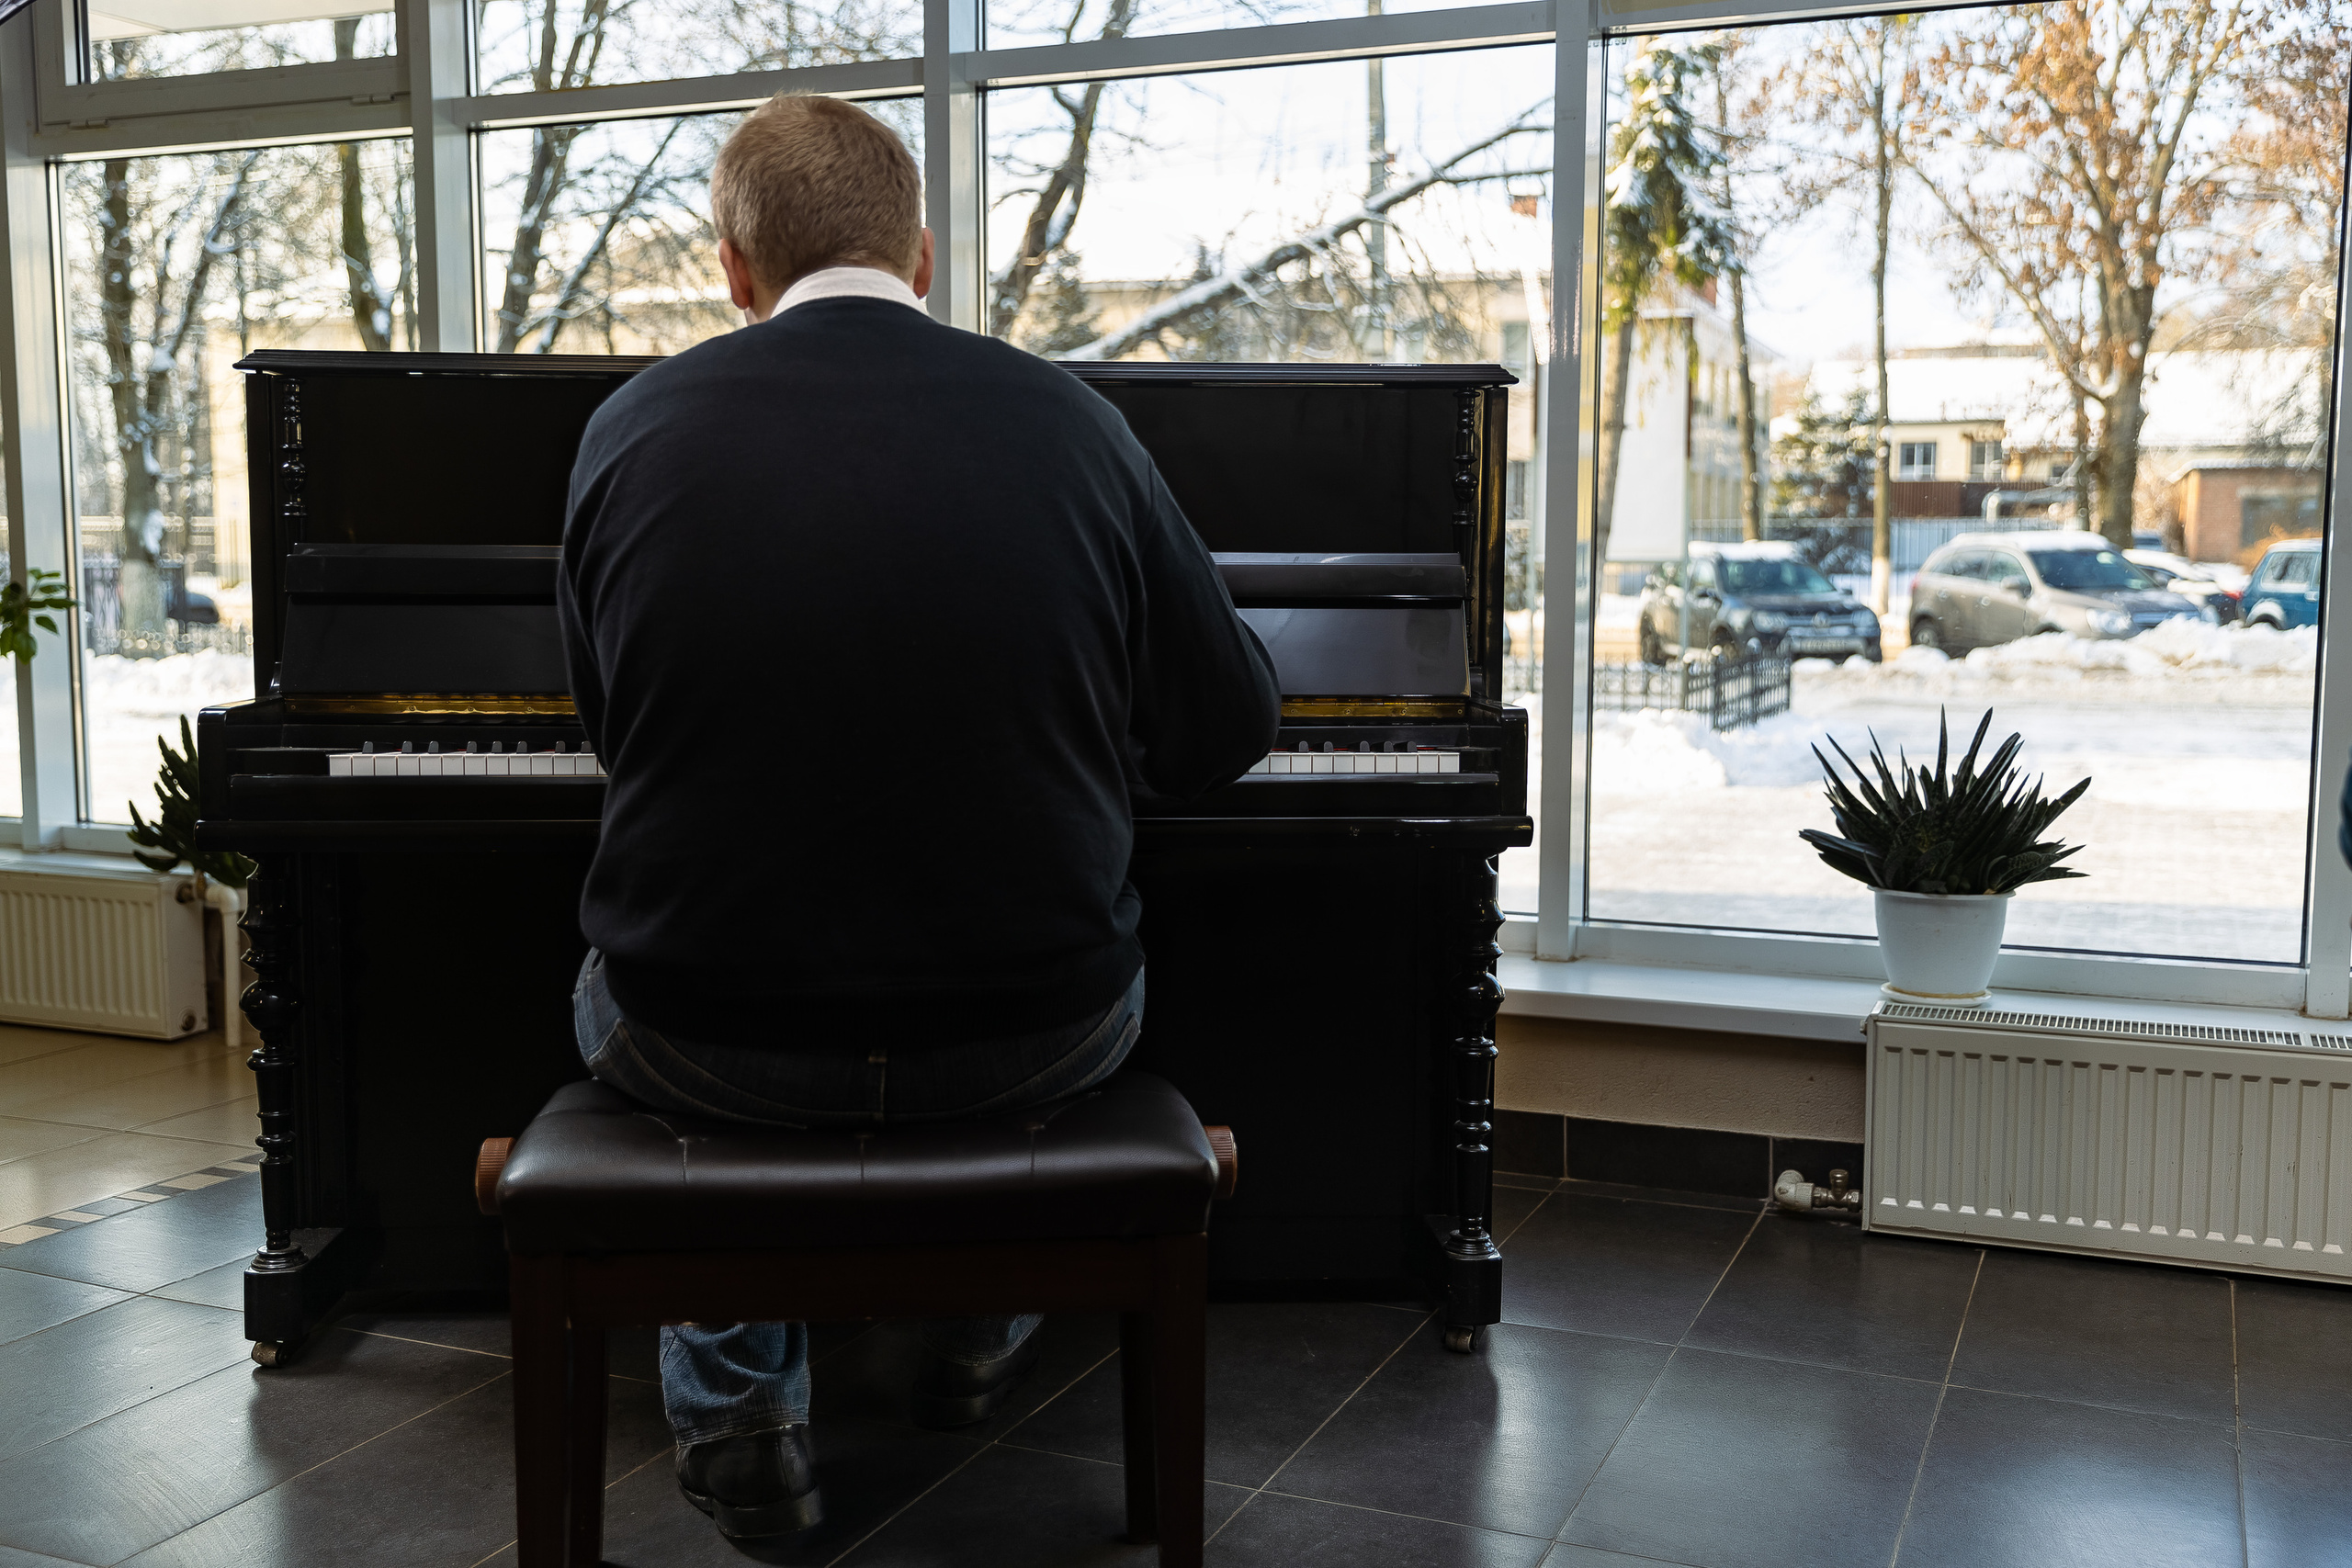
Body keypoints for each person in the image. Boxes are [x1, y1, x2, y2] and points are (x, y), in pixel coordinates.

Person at [556, 93, 1280, 1543]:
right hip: (1033, 1031)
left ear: (733, 270)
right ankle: (977, 1333)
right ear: (928, 259)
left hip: (711, 1051)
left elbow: (611, 732)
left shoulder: (628, 430)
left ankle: (744, 1404)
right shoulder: (1077, 423)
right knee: (1096, 971)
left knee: (617, 995)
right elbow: (1229, 728)